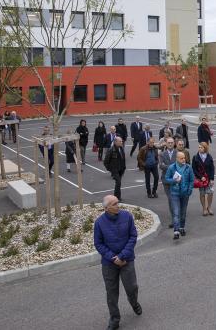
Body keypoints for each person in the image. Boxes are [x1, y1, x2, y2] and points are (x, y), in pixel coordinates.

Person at [94, 195, 142, 330]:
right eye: (115, 204)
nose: (118, 205)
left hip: (127, 259)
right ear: (107, 208)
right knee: (111, 293)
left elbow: (133, 236)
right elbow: (98, 244)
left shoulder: (127, 216)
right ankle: (114, 319)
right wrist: (113, 258)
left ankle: (134, 303)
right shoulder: (99, 223)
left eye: (117, 202)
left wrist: (122, 256)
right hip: (109, 263)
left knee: (132, 287)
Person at [164, 151, 195, 239]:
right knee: (176, 212)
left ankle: (182, 227)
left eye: (184, 158)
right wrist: (174, 181)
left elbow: (191, 180)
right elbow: (166, 179)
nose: (183, 159)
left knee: (183, 212)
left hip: (185, 194)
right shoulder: (171, 167)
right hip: (175, 193)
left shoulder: (188, 167)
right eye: (181, 158)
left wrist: (189, 190)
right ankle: (176, 231)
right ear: (177, 159)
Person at [192, 142, 215, 216]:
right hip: (200, 179)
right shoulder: (195, 157)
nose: (199, 149)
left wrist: (212, 179)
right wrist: (200, 177)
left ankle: (209, 207)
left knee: (210, 193)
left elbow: (212, 168)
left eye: (201, 147)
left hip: (208, 179)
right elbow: (194, 169)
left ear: (205, 148)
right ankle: (204, 208)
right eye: (199, 147)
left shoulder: (209, 156)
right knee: (202, 193)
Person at [159, 137, 177, 228]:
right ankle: (174, 219)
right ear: (165, 143)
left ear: (174, 143)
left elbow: (180, 165)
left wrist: (167, 166)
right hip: (166, 180)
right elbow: (161, 166)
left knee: (176, 199)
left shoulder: (178, 153)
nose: (170, 144)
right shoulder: (162, 154)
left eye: (171, 142)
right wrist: (172, 167)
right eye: (168, 142)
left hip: (176, 180)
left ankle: (177, 216)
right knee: (171, 199)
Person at [104, 136, 126, 201]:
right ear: (115, 142)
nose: (121, 142)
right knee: (118, 182)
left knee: (118, 183)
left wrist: (124, 167)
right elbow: (106, 161)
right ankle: (117, 197)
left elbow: (123, 158)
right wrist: (110, 169)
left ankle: (118, 196)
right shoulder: (111, 150)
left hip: (121, 169)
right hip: (115, 169)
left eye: (121, 141)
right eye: (120, 141)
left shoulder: (121, 148)